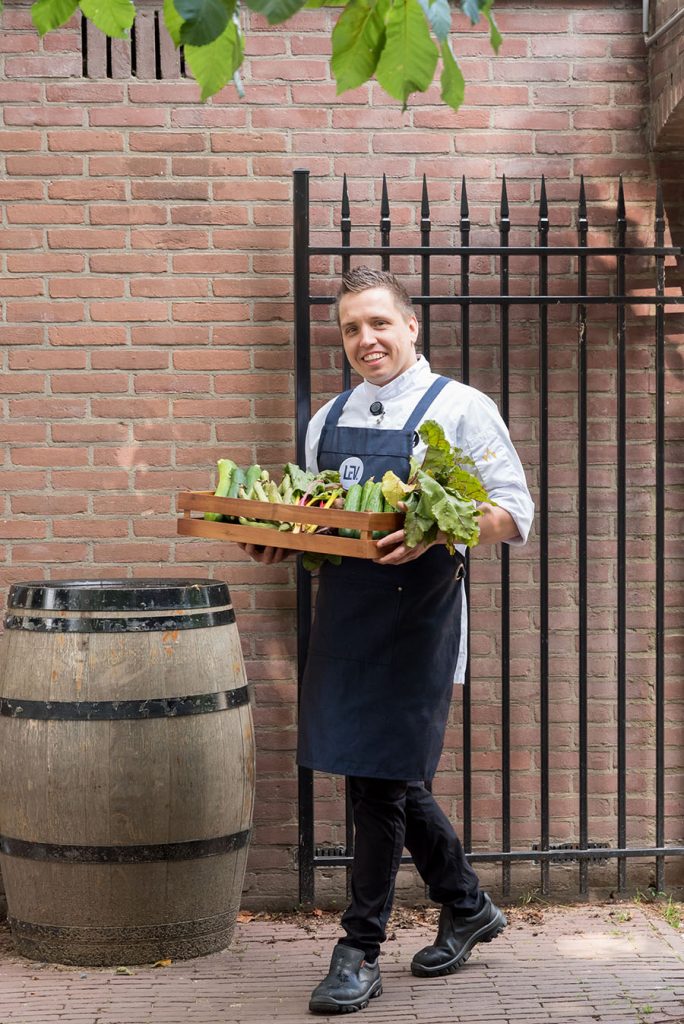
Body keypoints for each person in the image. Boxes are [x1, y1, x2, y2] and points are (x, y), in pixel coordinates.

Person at [242, 267, 534, 1015]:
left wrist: (442, 523)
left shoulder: (462, 408)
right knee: (389, 775)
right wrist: (282, 539)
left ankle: (358, 948)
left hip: (418, 622)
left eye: (378, 324)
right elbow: (321, 520)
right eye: (349, 329)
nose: (364, 340)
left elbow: (514, 510)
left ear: (411, 327)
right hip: (345, 617)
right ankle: (466, 904)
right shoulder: (327, 417)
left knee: (375, 781)